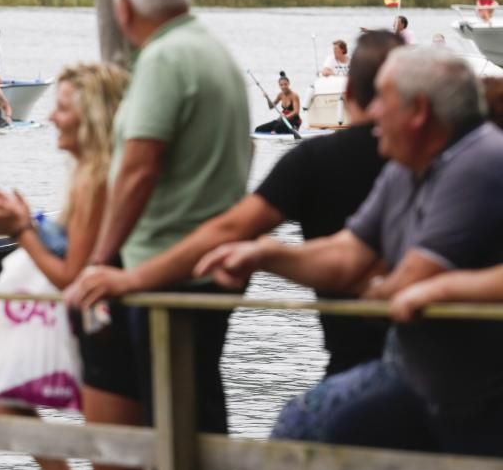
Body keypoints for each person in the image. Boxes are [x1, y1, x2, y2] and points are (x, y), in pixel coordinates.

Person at [197, 46, 503, 470]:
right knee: (301, 430)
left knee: (308, 426)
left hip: (472, 394)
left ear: (419, 111)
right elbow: (346, 254)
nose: (369, 109)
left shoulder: (477, 161)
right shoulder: (405, 167)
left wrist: (386, 288)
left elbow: (408, 280)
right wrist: (265, 254)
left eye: (383, 98)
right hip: (416, 377)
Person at [66, 31, 404, 379]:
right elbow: (347, 256)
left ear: (348, 94)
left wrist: (131, 278)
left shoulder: (316, 162)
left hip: (358, 361)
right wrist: (266, 255)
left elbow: (229, 228)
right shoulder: (441, 156)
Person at [87, 0, 251, 470]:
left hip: (165, 274)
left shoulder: (162, 58)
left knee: (179, 426)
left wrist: (101, 259)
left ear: (125, 7)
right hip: (206, 267)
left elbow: (138, 168)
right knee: (195, 415)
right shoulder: (214, 51)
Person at [0, 63, 130, 470]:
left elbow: (71, 273)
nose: (52, 117)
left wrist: (21, 231)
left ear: (93, 115)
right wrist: (23, 222)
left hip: (112, 339)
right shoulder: (88, 175)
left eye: (63, 108)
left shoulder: (101, 178)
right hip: (89, 329)